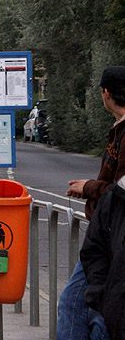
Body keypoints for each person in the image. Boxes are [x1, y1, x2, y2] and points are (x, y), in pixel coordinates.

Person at [57, 66, 125, 340]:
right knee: (100, 314)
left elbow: (120, 189)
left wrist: (90, 187)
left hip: (112, 237)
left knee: (74, 304)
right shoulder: (119, 129)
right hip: (111, 236)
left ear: (106, 93)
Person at [81, 175, 125, 340]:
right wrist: (103, 300)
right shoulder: (116, 196)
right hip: (114, 316)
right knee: (70, 304)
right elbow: (95, 249)